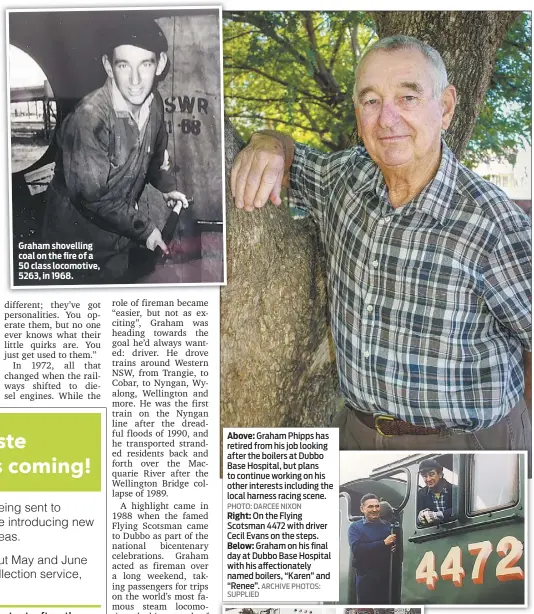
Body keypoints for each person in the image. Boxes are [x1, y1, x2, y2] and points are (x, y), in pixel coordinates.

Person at [230, 35, 531, 452]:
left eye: (407, 97)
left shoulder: (493, 223)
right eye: (370, 101)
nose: (386, 119)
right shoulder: (345, 180)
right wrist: (267, 144)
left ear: (444, 108)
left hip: (468, 445)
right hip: (358, 435)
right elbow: (289, 156)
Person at [42, 14, 188, 283]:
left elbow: (155, 154)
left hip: (117, 239)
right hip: (72, 245)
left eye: (145, 64)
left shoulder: (153, 103)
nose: (135, 80)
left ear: (160, 64)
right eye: (124, 65)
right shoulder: (89, 119)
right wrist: (145, 230)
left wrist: (166, 187)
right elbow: (92, 197)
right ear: (109, 66)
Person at [348, 493, 396, 604]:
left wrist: (395, 549)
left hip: (386, 578)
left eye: (377, 506)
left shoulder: (389, 527)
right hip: (366, 579)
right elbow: (357, 550)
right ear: (362, 509)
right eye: (370, 507)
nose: (375, 509)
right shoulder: (355, 527)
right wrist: (383, 543)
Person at [416, 459, 455, 525]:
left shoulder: (455, 490)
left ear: (440, 474)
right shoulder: (421, 494)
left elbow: (460, 510)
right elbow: (415, 521)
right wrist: (420, 517)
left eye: (431, 474)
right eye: (425, 476)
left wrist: (439, 514)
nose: (428, 479)